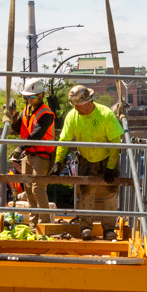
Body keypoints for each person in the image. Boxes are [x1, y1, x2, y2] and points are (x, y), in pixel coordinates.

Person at [53, 85, 125, 240]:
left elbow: (115, 142)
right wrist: (58, 161)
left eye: (78, 105)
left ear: (88, 102)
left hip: (108, 158)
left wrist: (111, 167)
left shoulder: (105, 114)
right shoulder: (73, 116)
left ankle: (109, 228)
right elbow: (63, 140)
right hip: (86, 158)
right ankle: (85, 228)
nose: (76, 109)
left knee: (111, 193)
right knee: (86, 194)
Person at [11, 79, 57, 225]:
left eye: (32, 96)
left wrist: (20, 148)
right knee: (29, 191)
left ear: (41, 95)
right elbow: (19, 129)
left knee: (38, 189)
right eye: (27, 97)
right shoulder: (27, 111)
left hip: (41, 157)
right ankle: (33, 224)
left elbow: (36, 134)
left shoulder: (46, 114)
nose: (29, 99)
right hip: (28, 155)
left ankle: (44, 224)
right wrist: (13, 118)